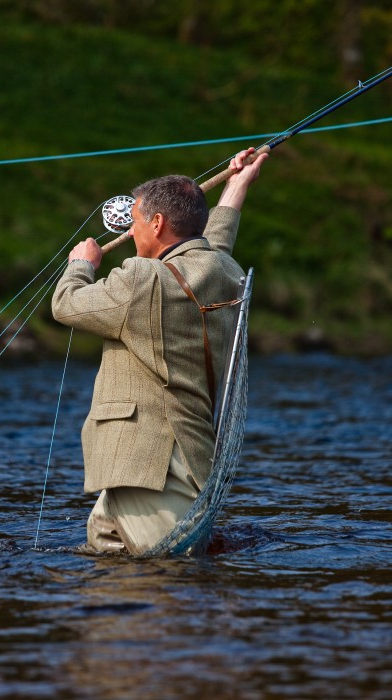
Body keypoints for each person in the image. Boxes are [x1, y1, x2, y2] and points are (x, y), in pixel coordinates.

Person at [52, 147, 268, 555]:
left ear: (157, 222)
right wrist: (238, 184)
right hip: (169, 458)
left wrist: (81, 264)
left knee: (170, 574)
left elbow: (66, 304)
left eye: (135, 223)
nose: (131, 233)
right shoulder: (222, 271)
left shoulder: (141, 279)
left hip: (151, 466)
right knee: (112, 577)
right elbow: (212, 244)